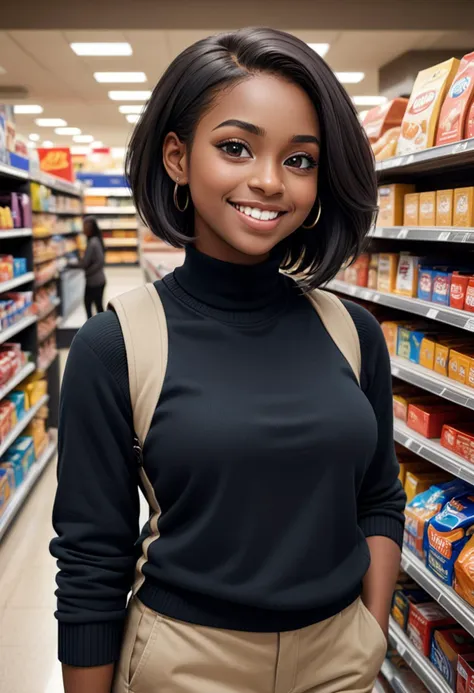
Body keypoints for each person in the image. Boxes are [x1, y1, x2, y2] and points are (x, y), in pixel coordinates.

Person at [51, 27, 406, 693]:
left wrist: (370, 630)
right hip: (185, 665)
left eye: (300, 160)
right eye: (236, 148)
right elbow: (92, 558)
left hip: (338, 660)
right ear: (178, 157)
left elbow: (379, 496)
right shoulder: (117, 345)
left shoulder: (353, 332)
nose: (269, 182)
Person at [80, 215, 106, 319]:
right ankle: (99, 329)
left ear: (91, 228)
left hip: (95, 281)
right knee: (97, 306)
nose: (83, 229)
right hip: (97, 280)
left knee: (91, 305)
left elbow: (98, 261)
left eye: (85, 226)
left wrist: (87, 271)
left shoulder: (93, 242)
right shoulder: (95, 241)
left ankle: (94, 329)